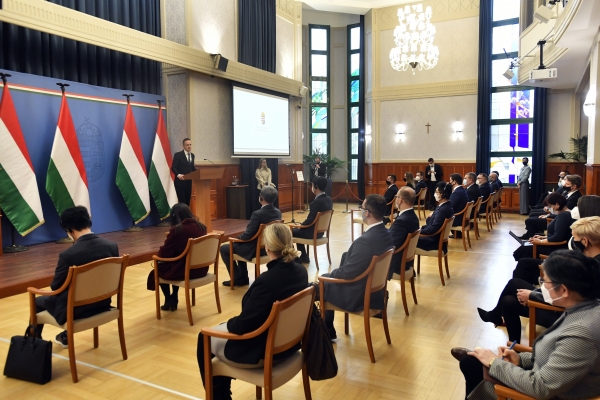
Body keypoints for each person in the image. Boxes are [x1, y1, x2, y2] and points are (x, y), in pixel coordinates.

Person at [456, 250, 600, 399]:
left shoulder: (582, 334)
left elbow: (541, 387)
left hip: (545, 392)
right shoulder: (585, 308)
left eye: (544, 282)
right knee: (471, 363)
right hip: (548, 378)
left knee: (471, 365)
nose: (542, 287)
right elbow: (554, 354)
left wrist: (494, 363)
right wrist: (520, 359)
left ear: (563, 290)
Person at [196, 223, 308, 400]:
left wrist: (228, 324)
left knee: (204, 337)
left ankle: (219, 396)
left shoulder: (266, 282)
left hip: (264, 352)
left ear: (267, 247)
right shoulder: (301, 271)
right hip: (291, 345)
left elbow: (243, 325)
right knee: (220, 330)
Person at [32, 206, 118, 348]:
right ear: (89, 222)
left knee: (36, 302)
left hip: (76, 309)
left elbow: (56, 286)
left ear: (70, 230)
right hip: (103, 303)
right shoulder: (112, 246)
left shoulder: (68, 255)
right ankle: (64, 336)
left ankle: (35, 346)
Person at [319, 194, 393, 338]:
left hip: (359, 295)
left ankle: (325, 332)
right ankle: (327, 330)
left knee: (319, 285)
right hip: (375, 291)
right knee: (329, 276)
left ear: (367, 213)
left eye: (362, 207)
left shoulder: (365, 241)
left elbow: (348, 272)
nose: (361, 210)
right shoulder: (386, 233)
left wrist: (329, 276)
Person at [513, 203, 600, 285]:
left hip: (562, 278)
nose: (573, 240)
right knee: (523, 264)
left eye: (574, 237)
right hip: (566, 267)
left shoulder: (592, 267)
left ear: (585, 241)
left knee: (517, 279)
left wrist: (533, 293)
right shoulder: (590, 255)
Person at [147, 203, 208, 311]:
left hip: (186, 271)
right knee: (174, 265)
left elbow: (164, 253)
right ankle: (174, 295)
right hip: (201, 269)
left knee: (159, 267)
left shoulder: (178, 230)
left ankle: (169, 299)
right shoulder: (202, 227)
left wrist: (157, 257)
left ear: (174, 216)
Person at [220, 186, 281, 287]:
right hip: (268, 247)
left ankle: (237, 279)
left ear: (261, 197)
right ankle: (243, 278)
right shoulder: (277, 212)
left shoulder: (257, 214)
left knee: (224, 249)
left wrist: (237, 238)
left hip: (254, 249)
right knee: (238, 246)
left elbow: (248, 235)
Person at [513, 192, 574, 261]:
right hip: (554, 244)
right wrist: (543, 237)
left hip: (556, 247)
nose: (549, 209)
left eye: (550, 206)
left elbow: (557, 237)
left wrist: (540, 241)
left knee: (524, 250)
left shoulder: (563, 216)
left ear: (557, 205)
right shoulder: (564, 214)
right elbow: (560, 234)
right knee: (524, 248)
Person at [292, 176, 333, 263]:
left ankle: (295, 257)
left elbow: (310, 219)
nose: (311, 187)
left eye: (312, 185)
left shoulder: (317, 202)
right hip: (321, 232)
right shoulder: (329, 199)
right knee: (297, 230)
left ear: (316, 187)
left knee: (290, 231)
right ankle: (303, 256)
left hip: (312, 232)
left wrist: (301, 225)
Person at [388, 187, 420, 277]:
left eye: (396, 197)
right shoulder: (413, 216)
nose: (395, 199)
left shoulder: (402, 221)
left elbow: (391, 244)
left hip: (395, 264)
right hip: (406, 261)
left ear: (400, 200)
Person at [416, 182, 454, 251]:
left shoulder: (442, 210)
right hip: (435, 238)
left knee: (407, 239)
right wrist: (421, 228)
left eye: (437, 192)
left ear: (443, 194)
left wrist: (417, 231)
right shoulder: (446, 205)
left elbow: (432, 230)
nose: (435, 194)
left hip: (433, 241)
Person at [172, 138, 196, 205]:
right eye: (187, 145)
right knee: (182, 202)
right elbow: (174, 167)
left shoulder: (192, 155)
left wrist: (200, 172)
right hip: (180, 182)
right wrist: (178, 175)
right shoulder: (178, 155)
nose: (189, 146)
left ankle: (186, 212)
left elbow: (192, 168)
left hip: (189, 182)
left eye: (190, 144)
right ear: (183, 146)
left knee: (187, 202)